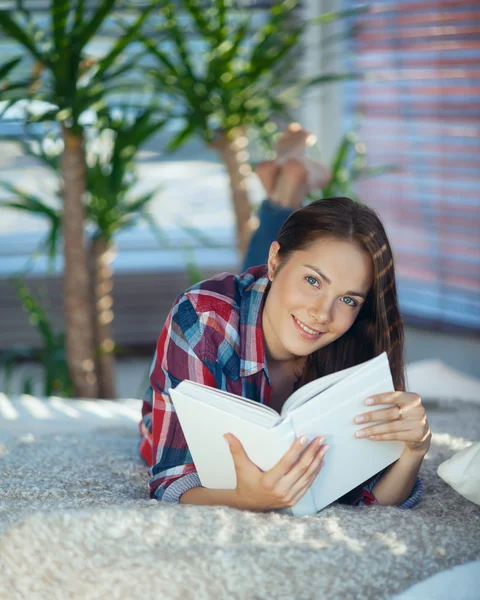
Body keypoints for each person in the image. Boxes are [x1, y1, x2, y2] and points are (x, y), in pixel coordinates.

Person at [138, 126, 431, 513]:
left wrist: (413, 451)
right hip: (209, 345)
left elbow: (371, 494)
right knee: (245, 300)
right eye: (313, 281)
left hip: (266, 291)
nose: (322, 314)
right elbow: (170, 476)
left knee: (271, 297)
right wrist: (247, 500)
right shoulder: (204, 317)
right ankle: (287, 192)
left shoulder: (358, 333)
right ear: (274, 260)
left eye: (347, 298)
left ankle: (285, 191)